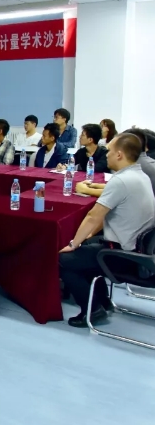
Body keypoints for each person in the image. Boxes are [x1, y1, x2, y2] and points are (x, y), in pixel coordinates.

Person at [59, 134, 155, 327]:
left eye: (110, 150)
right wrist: (84, 238)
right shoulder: (139, 175)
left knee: (63, 259)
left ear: (119, 155)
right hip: (140, 250)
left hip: (125, 256)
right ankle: (101, 300)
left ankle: (92, 310)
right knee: (87, 246)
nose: (107, 154)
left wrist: (73, 243)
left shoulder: (121, 181)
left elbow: (93, 216)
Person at [76, 128, 155, 197]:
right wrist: (94, 185)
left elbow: (116, 192)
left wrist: (86, 190)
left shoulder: (133, 166)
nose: (107, 154)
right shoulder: (145, 165)